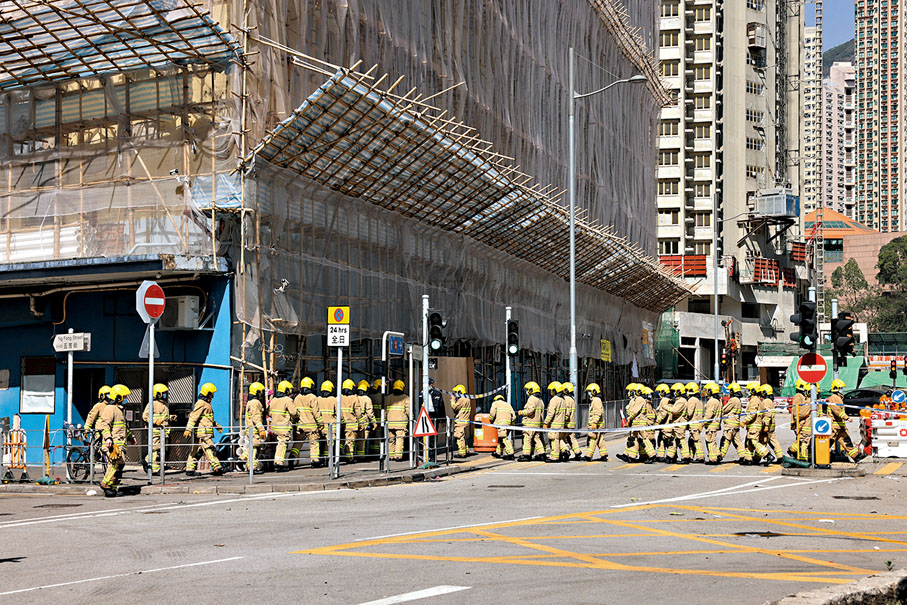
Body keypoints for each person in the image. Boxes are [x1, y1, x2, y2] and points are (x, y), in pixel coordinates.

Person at [97, 384, 135, 497]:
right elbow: (104, 425)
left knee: (119, 466)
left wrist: (131, 437)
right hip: (112, 444)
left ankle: (112, 488)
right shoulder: (110, 409)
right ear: (118, 397)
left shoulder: (120, 410)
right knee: (114, 465)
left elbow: (123, 427)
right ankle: (105, 484)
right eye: (124, 396)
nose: (126, 399)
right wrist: (108, 438)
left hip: (120, 444)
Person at [184, 382, 224, 476]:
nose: (213, 396)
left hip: (204, 432)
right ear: (208, 393)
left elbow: (207, 419)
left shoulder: (206, 404)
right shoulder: (201, 403)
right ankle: (217, 467)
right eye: (212, 393)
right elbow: (193, 417)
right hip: (204, 433)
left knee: (196, 451)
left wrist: (216, 426)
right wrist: (188, 429)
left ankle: (190, 469)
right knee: (209, 449)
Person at [826, 379, 863, 461]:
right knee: (828, 443)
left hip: (840, 426)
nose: (842, 390)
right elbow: (837, 411)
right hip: (834, 426)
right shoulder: (834, 398)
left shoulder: (838, 398)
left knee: (847, 442)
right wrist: (847, 418)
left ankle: (856, 457)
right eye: (841, 388)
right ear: (836, 388)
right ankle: (820, 457)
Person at [142, 383, 175, 474]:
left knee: (162, 450)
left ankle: (154, 464)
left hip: (164, 431)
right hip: (156, 431)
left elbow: (164, 417)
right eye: (163, 393)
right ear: (157, 394)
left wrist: (170, 417)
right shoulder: (152, 404)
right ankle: (154, 469)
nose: (165, 395)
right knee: (156, 450)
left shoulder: (165, 404)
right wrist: (155, 421)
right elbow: (145, 416)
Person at [293, 377, 324, 467]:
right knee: (314, 443)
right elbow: (316, 412)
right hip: (311, 426)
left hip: (300, 425)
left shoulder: (297, 398)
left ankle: (292, 456)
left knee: (298, 443)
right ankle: (314, 461)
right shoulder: (312, 397)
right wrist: (321, 423)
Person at [620, 383, 655, 463]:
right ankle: (632, 456)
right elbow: (629, 410)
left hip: (640, 423)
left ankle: (652, 455)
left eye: (634, 391)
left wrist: (629, 419)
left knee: (644, 439)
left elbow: (634, 411)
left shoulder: (640, 400)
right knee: (634, 439)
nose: (632, 392)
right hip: (636, 423)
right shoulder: (636, 399)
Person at [269, 380, 298, 470]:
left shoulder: (273, 400)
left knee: (278, 444)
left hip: (274, 427)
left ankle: (277, 462)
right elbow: (294, 413)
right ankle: (278, 463)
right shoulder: (288, 400)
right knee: (282, 445)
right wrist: (298, 416)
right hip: (283, 427)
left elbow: (269, 413)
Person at [741, 383, 768, 465]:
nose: (747, 392)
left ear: (753, 391)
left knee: (753, 442)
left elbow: (752, 413)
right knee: (748, 443)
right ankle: (748, 459)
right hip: (753, 425)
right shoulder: (756, 400)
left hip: (754, 425)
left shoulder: (754, 400)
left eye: (749, 390)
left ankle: (767, 454)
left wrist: (744, 421)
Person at [518, 381, 545, 461]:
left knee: (527, 439)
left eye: (527, 390)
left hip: (530, 423)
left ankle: (526, 455)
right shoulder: (540, 400)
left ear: (531, 390)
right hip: (537, 424)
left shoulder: (531, 399)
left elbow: (530, 411)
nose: (526, 391)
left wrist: (522, 412)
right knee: (537, 439)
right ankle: (542, 453)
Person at [718, 383, 745, 461]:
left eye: (730, 390)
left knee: (725, 440)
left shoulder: (733, 400)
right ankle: (743, 456)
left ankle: (720, 456)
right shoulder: (738, 400)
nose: (729, 392)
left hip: (730, 425)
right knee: (738, 441)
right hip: (735, 425)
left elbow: (725, 409)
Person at [582, 383, 607, 461]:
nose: (589, 393)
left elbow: (597, 412)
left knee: (592, 439)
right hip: (599, 425)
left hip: (596, 425)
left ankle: (588, 456)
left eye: (590, 391)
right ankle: (604, 454)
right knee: (600, 440)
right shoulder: (595, 400)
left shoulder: (596, 400)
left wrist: (594, 422)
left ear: (594, 391)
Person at [386, 380, 411, 461]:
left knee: (390, 440)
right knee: (399, 439)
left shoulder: (388, 398)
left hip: (390, 423)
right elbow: (409, 411)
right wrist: (412, 418)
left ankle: (391, 456)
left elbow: (385, 411)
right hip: (401, 423)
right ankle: (398, 456)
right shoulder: (406, 398)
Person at [339, 379, 363, 463]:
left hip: (341, 424)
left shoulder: (339, 397)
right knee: (350, 442)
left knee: (341, 441)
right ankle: (349, 458)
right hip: (351, 424)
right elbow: (358, 413)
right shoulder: (354, 398)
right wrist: (361, 423)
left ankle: (338, 456)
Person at [788, 379, 812, 462]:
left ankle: (795, 452)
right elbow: (797, 411)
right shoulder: (799, 396)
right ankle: (793, 451)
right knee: (802, 440)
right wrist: (796, 421)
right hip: (799, 422)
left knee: (802, 440)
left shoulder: (801, 396)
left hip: (800, 421)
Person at [543, 381, 567, 462]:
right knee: (559, 439)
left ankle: (555, 457)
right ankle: (565, 450)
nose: (551, 392)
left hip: (555, 424)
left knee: (554, 440)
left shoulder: (554, 399)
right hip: (561, 424)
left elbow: (550, 413)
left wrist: (546, 422)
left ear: (555, 390)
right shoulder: (563, 399)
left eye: (552, 390)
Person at [758, 384, 783, 463]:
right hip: (771, 426)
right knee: (774, 441)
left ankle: (757, 458)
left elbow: (767, 414)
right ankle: (780, 457)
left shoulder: (766, 401)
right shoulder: (770, 401)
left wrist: (766, 425)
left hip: (767, 426)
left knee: (762, 441)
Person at [666, 383, 690, 463]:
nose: (673, 393)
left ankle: (686, 457)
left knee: (681, 440)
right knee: (673, 440)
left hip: (680, 424)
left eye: (674, 392)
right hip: (676, 424)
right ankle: (670, 456)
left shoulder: (681, 401)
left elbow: (675, 411)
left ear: (678, 392)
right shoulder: (678, 401)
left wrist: (666, 407)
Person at [488, 393, 515, 460]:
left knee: (503, 438)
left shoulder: (495, 403)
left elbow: (492, 413)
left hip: (501, 424)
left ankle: (510, 453)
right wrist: (511, 423)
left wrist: (491, 420)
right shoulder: (508, 404)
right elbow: (514, 416)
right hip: (508, 424)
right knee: (500, 438)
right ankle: (498, 452)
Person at [701, 382, 722, 464]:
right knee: (713, 441)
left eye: (707, 390)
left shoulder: (712, 401)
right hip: (715, 424)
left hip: (711, 425)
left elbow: (709, 415)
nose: (705, 392)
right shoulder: (717, 401)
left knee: (710, 441)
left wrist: (702, 423)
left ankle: (713, 459)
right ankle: (717, 454)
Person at [316, 380, 337, 460]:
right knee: (329, 444)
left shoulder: (318, 399)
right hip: (331, 427)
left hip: (321, 426)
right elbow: (339, 414)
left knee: (321, 443)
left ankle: (321, 458)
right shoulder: (334, 400)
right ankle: (328, 459)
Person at [684, 382, 705, 463]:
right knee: (692, 441)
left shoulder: (692, 400)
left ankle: (700, 457)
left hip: (693, 424)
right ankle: (691, 456)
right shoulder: (699, 400)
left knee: (696, 440)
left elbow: (689, 413)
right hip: (697, 423)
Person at [356, 380, 377, 460]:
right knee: (362, 440)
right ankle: (360, 456)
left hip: (355, 421)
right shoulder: (367, 399)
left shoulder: (355, 397)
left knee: (353, 440)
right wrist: (374, 422)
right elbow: (370, 412)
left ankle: (351, 455)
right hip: (364, 421)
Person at [561, 383, 582, 460]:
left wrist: (563, 420)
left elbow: (567, 413)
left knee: (562, 439)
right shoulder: (572, 399)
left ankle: (565, 451)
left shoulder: (566, 399)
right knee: (572, 439)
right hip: (572, 424)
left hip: (566, 424)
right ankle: (577, 452)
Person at [653, 384, 674, 461]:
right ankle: (660, 456)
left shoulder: (664, 400)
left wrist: (657, 422)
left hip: (666, 425)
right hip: (666, 425)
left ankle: (671, 456)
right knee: (661, 440)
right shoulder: (669, 399)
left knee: (667, 441)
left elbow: (663, 413)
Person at [451, 384, 471, 458]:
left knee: (459, 437)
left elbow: (454, 407)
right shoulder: (467, 399)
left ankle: (462, 453)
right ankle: (466, 450)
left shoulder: (462, 399)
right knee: (463, 437)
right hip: (465, 421)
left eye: (456, 392)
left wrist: (453, 400)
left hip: (460, 421)